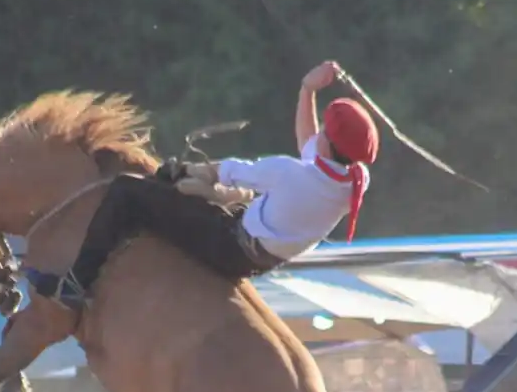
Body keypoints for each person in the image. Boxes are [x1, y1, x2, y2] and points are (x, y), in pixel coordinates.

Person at [41, 61, 379, 301]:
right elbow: (310, 144)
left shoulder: (289, 172)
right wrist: (307, 91)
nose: (317, 129)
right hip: (257, 255)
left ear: (330, 144)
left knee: (127, 190)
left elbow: (225, 169)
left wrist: (187, 170)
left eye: (325, 128)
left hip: (230, 245)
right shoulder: (345, 182)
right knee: (198, 196)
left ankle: (75, 284)